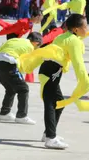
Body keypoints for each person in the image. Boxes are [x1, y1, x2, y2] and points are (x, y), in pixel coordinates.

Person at [38, 14, 89, 149]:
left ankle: (48, 133)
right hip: (52, 71)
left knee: (59, 102)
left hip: (49, 69)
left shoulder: (65, 36)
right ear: (76, 29)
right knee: (51, 103)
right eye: (85, 26)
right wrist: (85, 81)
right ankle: (50, 138)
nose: (87, 29)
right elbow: (78, 63)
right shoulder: (73, 40)